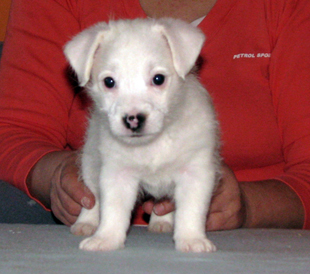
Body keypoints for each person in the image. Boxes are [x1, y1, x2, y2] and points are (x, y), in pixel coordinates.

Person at [0, 0, 309, 230]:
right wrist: (56, 175)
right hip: (90, 229)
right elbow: (14, 131)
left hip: (256, 237)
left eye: (158, 80)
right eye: (109, 83)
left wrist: (247, 206)